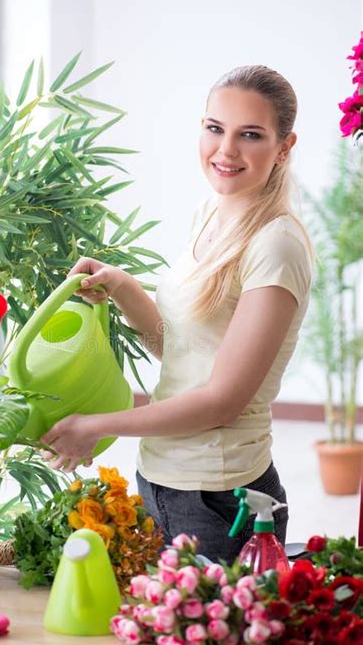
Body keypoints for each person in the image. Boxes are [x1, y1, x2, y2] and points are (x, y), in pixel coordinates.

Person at [40, 65, 316, 564]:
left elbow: (221, 401)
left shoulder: (277, 245)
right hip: (161, 478)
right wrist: (122, 285)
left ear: (284, 147)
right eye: (215, 128)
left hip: (221, 497)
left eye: (249, 135)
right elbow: (181, 348)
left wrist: (98, 425)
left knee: (203, 643)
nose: (226, 151)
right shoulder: (212, 211)